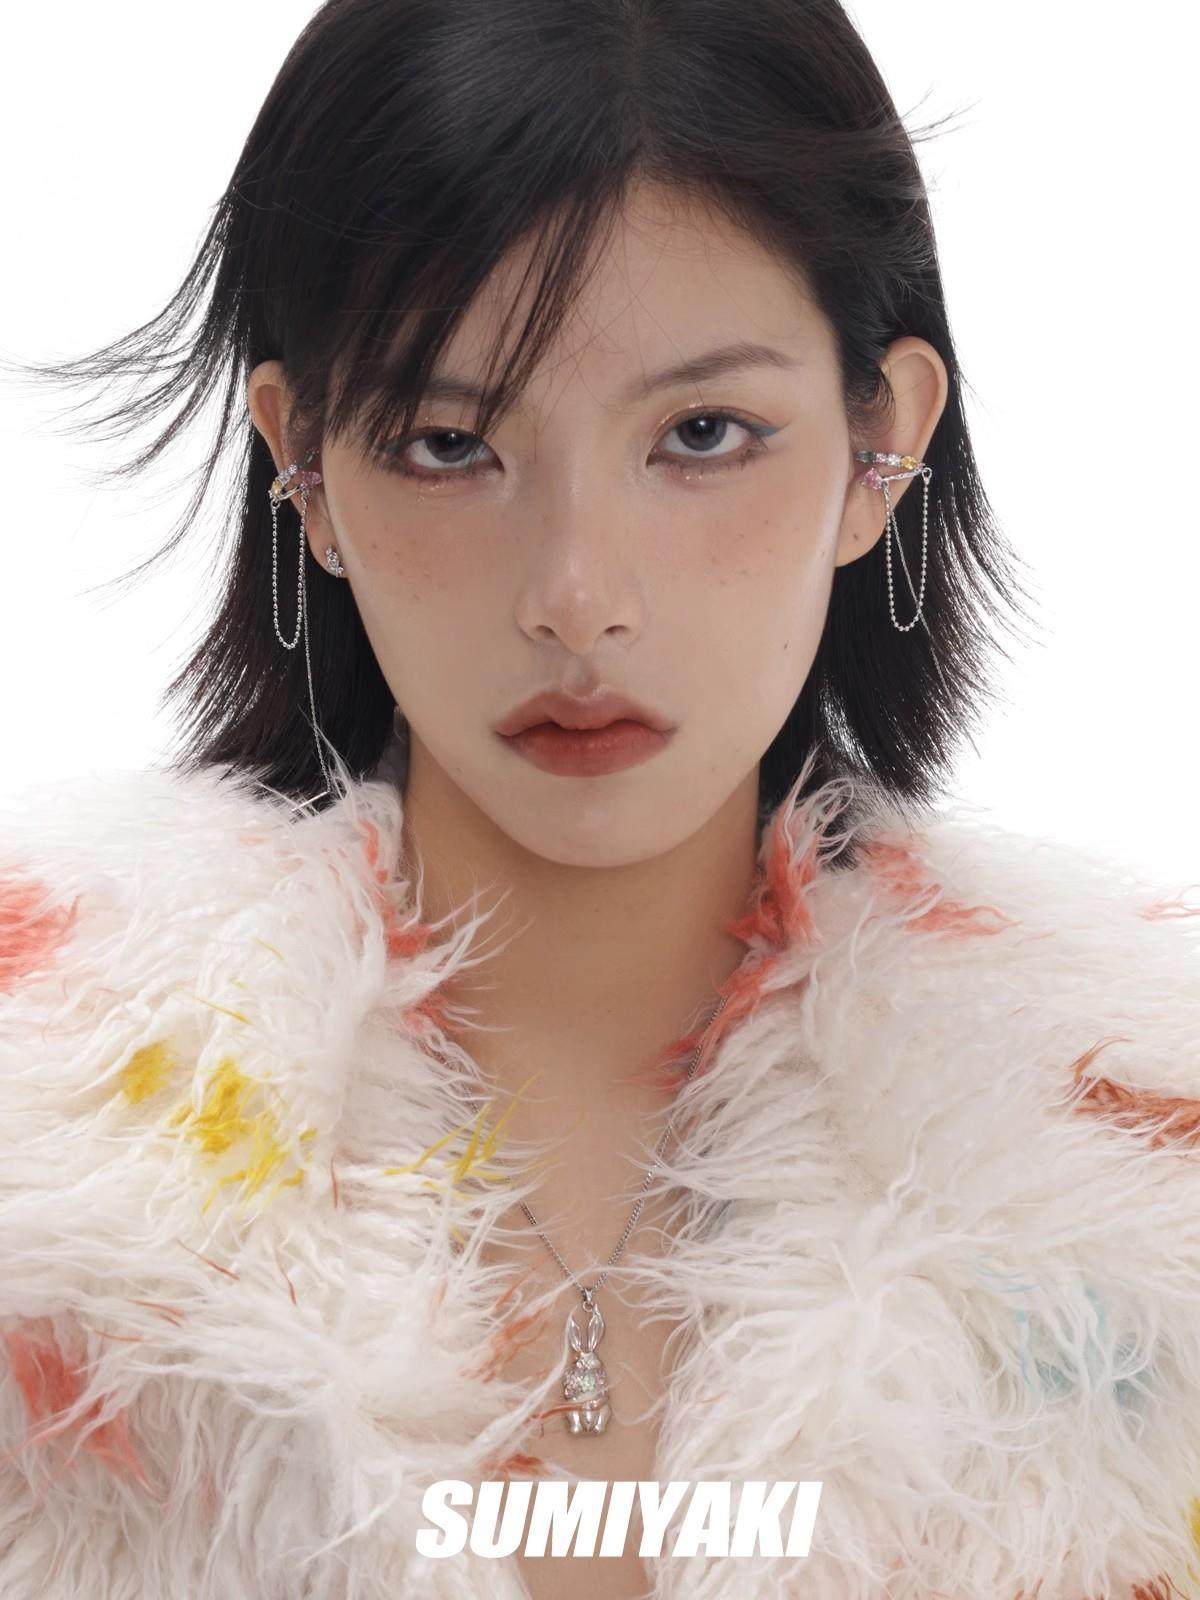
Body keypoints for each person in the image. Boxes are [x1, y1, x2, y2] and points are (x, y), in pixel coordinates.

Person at [2, 2, 1199, 1598]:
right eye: (448, 444)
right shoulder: (41, 1175)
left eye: (701, 435)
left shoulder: (1151, 1175)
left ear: (881, 442)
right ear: (306, 468)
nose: (577, 596)